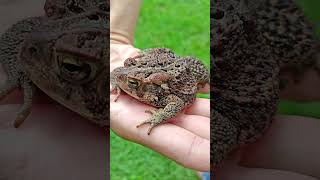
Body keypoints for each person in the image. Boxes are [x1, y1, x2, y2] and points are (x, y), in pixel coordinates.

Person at [110, 0, 320, 180]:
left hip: (227, 72)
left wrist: (160, 115)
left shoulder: (160, 91)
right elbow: (124, 72)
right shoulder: (135, 76)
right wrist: (115, 40)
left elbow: (178, 100)